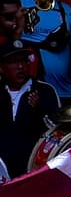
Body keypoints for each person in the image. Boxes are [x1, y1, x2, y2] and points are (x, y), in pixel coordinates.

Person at [0, 39, 60, 176]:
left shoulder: (45, 91)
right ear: (1, 68)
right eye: (14, 62)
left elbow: (57, 131)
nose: (20, 66)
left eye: (24, 61)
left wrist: (39, 111)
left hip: (33, 169)